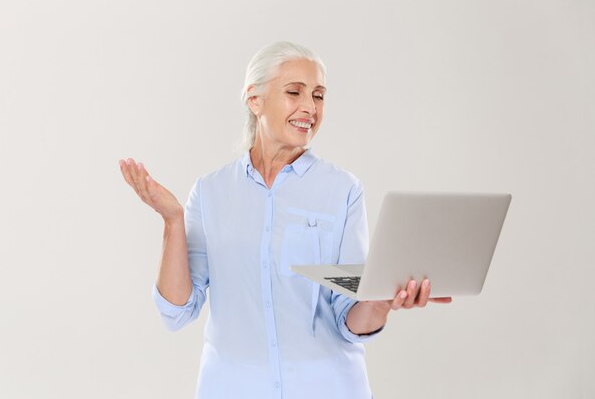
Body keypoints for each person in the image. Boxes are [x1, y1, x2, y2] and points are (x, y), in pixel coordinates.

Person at [118, 41, 451, 399]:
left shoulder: (343, 190)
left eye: (319, 96)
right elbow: (177, 311)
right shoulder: (211, 192)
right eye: (295, 92)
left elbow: (349, 320)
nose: (309, 107)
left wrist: (382, 301)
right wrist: (172, 220)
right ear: (254, 99)